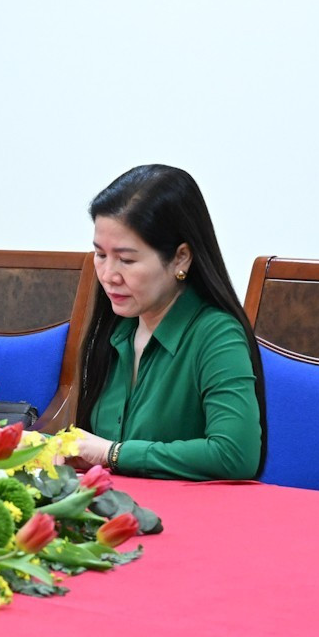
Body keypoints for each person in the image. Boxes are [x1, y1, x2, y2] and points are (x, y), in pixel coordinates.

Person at [66, 164, 266, 481]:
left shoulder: (216, 334)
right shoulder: (118, 327)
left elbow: (235, 455)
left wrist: (112, 454)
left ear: (180, 258)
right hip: (115, 512)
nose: (107, 275)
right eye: (100, 255)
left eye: (127, 259)